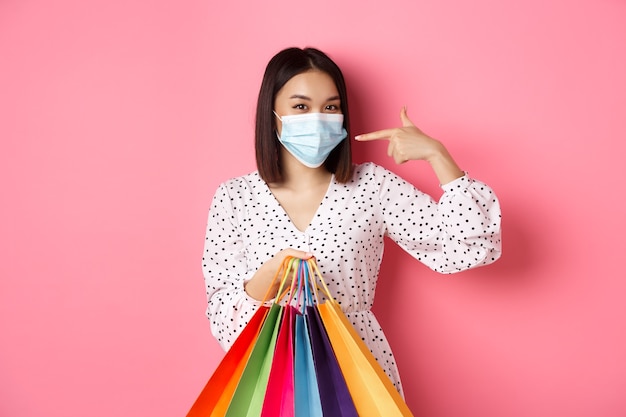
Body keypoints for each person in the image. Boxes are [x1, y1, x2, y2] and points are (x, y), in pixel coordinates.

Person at [202, 47, 502, 396]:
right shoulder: (235, 198)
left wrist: (438, 156)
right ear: (272, 115)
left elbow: (473, 247)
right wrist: (261, 284)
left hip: (359, 376)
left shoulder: (372, 186)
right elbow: (224, 323)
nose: (317, 118)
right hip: (270, 383)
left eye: (330, 107)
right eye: (301, 107)